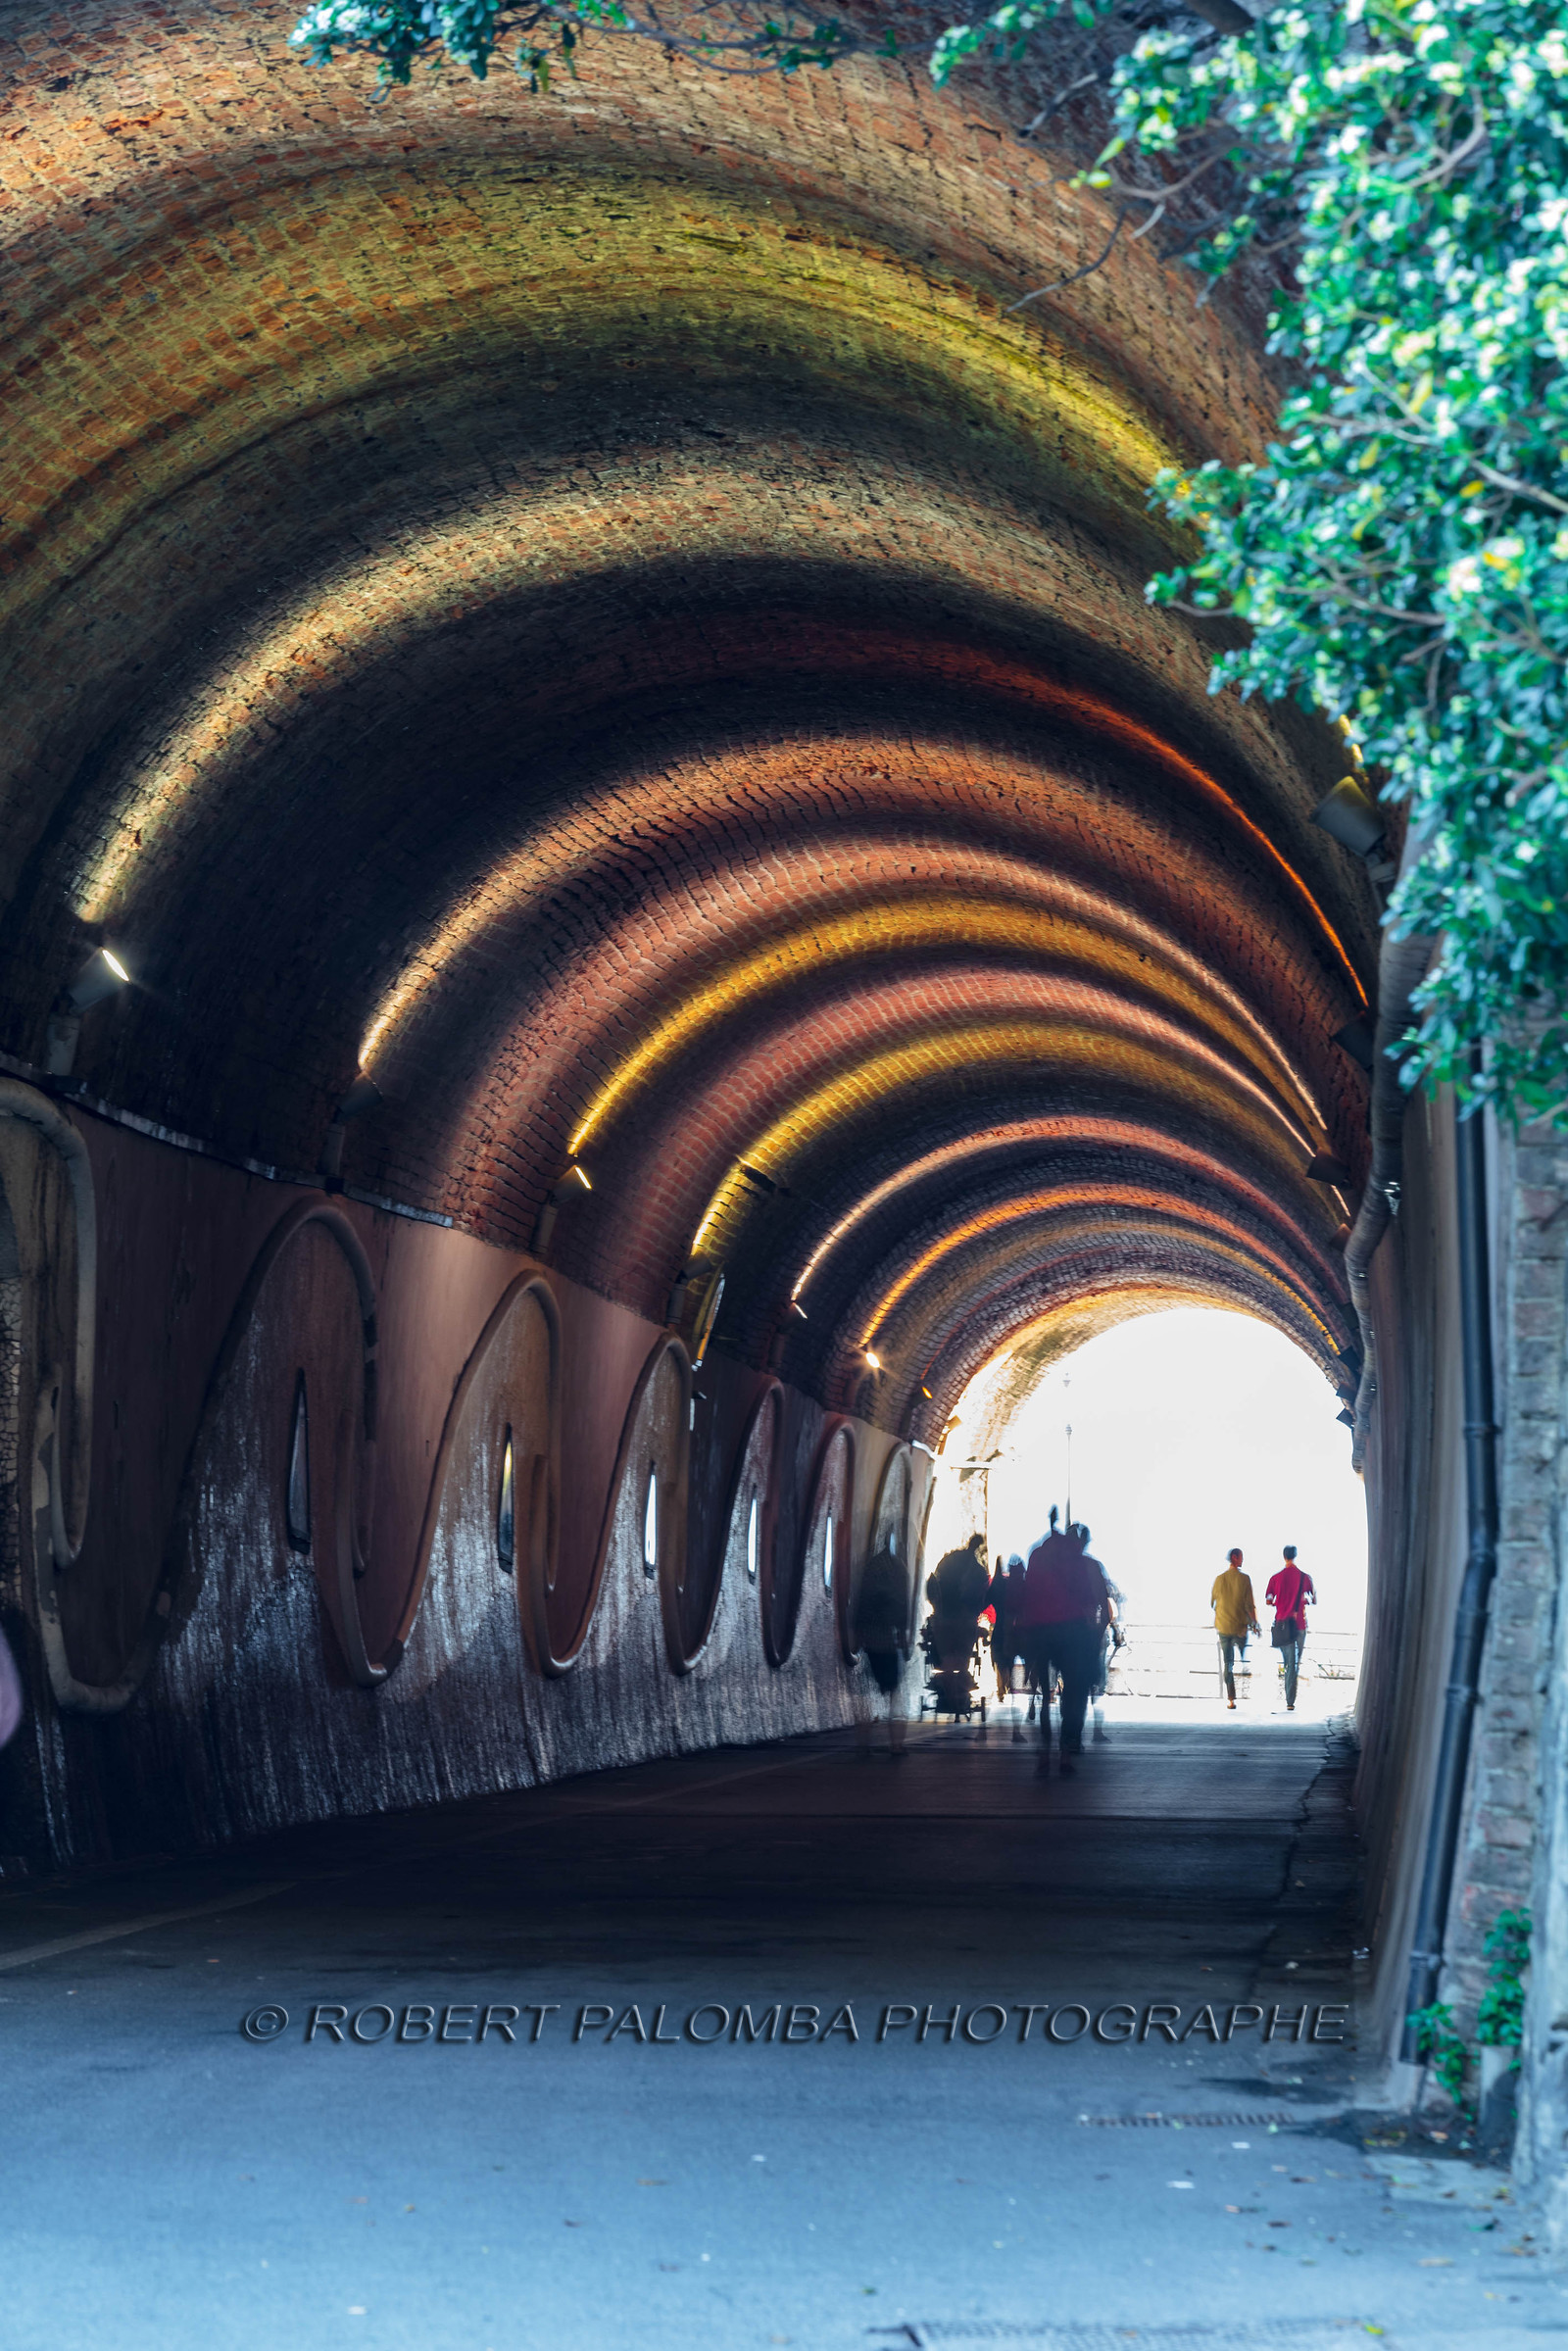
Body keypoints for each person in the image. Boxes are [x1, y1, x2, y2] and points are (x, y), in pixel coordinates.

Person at [1014, 1520, 1111, 1777]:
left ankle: (1044, 1754)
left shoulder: (1040, 1553)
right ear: (1083, 1541)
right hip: (1072, 1632)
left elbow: (1026, 1594)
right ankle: (1066, 1753)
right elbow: (1097, 1603)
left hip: (1040, 1632)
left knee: (1044, 1697)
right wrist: (1095, 1634)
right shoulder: (1087, 1564)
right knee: (1074, 1694)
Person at [852, 1541, 912, 1755]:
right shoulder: (899, 1570)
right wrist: (904, 1638)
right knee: (894, 1692)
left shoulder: (871, 1568)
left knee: (866, 1694)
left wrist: (859, 1636)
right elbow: (902, 1607)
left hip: (870, 1642)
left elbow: (862, 1603)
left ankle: (863, 1742)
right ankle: (896, 1744)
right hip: (887, 1642)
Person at [1264, 1543, 1316, 1712]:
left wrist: (1279, 1602)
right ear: (1295, 1555)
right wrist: (1304, 1600)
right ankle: (1290, 1701)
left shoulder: (1275, 1578)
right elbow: (1313, 1598)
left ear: (1284, 1556)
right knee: (1294, 1664)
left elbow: (1268, 1600)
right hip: (1299, 1624)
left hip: (1282, 1624)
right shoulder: (1305, 1577)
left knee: (1289, 1663)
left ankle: (1289, 1699)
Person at [1210, 1547, 1260, 1710]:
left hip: (1223, 1626)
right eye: (1241, 1557)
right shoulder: (1244, 1579)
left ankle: (1231, 1699)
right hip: (1239, 1627)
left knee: (1227, 1663)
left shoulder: (1219, 1579)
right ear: (1235, 1558)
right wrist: (1255, 1623)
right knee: (1242, 1653)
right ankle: (1245, 1660)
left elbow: (1213, 1603)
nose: (1243, 1560)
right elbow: (1249, 1605)